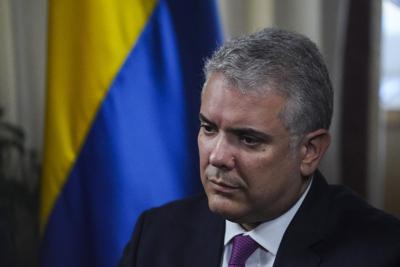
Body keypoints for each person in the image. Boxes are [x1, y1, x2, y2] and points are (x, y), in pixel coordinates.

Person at [119, 28, 400, 267]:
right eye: (209, 128)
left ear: (310, 151)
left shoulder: (383, 253)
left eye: (248, 139)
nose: (217, 157)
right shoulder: (156, 235)